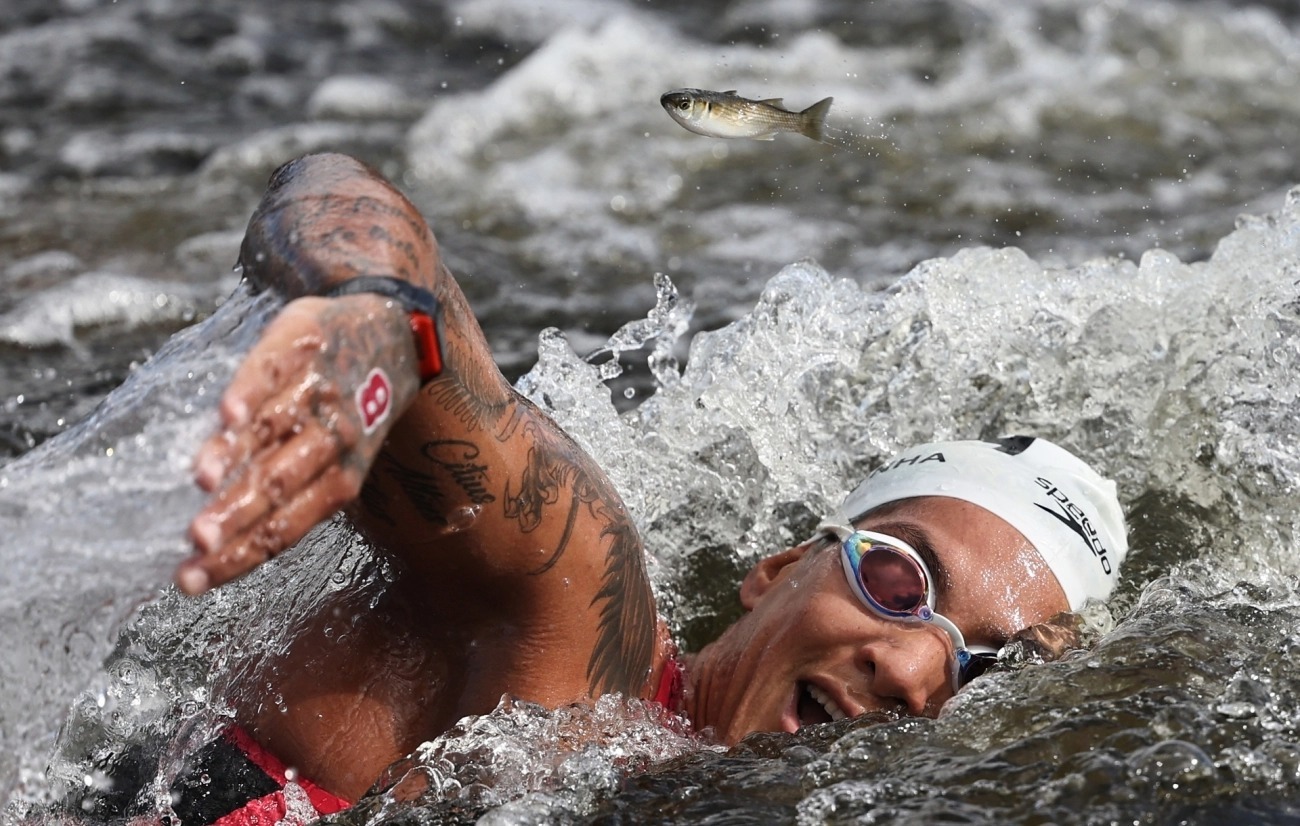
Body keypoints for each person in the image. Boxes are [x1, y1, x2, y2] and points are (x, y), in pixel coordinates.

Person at [169, 153, 1129, 822]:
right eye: (898, 579)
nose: (915, 673)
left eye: (979, 671)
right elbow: (346, 197)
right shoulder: (573, 621)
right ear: (779, 567)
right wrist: (366, 306)